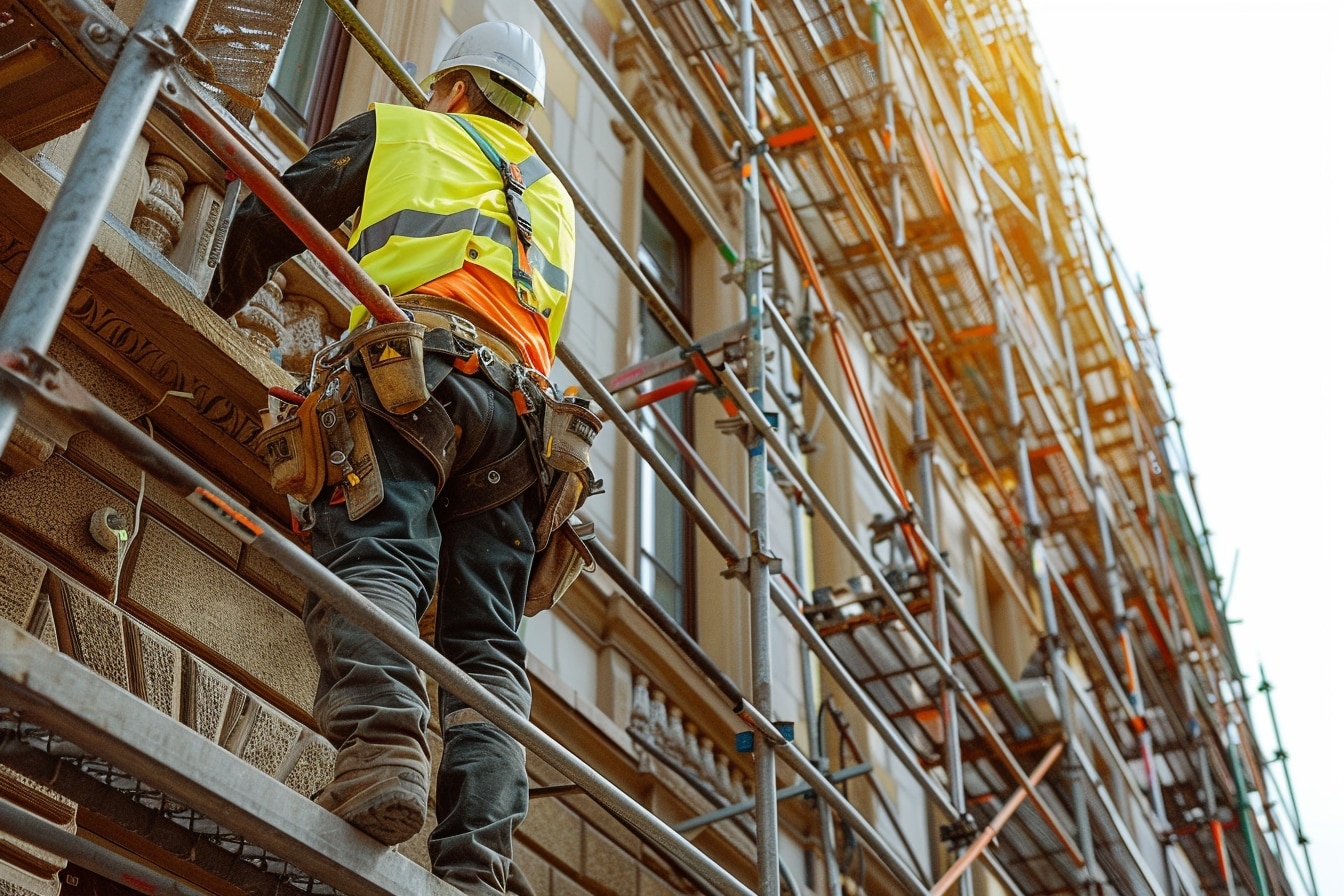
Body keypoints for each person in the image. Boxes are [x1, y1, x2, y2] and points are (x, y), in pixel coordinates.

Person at [207, 21, 575, 896]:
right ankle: (477, 864)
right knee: (486, 647)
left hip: (417, 375)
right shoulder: (555, 202)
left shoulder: (408, 129)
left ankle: (382, 753)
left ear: (452, 88)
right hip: (527, 425)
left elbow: (273, 215)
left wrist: (212, 302)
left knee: (376, 558)